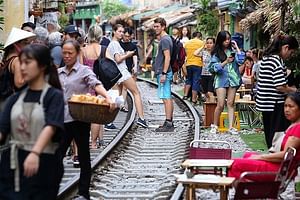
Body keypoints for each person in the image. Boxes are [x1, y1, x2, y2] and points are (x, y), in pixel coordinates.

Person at [0, 44, 64, 200]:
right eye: (21, 62)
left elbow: (51, 126)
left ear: (42, 66)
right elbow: (2, 130)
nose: (22, 67)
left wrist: (35, 152)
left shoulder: (53, 96)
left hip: (44, 164)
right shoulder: (14, 99)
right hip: (13, 164)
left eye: (27, 62)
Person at [58, 39, 114, 200]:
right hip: (62, 120)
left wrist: (107, 97)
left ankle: (84, 193)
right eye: (64, 53)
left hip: (79, 119)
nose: (67, 56)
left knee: (83, 156)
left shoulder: (84, 71)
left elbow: (96, 84)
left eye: (70, 53)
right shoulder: (58, 72)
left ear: (77, 53)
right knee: (56, 156)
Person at [229, 92, 300, 184]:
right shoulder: (294, 125)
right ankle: (246, 189)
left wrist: (260, 157)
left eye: (291, 106)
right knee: (247, 155)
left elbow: (285, 155)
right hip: (281, 167)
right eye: (285, 106)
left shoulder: (297, 128)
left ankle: (250, 191)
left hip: (280, 170)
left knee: (234, 163)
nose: (286, 109)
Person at [256, 35, 299, 148]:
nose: (291, 55)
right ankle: (275, 158)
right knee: (277, 136)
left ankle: (271, 156)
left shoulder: (266, 59)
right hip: (275, 104)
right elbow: (280, 86)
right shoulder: (276, 61)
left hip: (265, 104)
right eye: (291, 52)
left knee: (270, 135)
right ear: (285, 48)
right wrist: (294, 90)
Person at [106, 24, 148, 128]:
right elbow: (118, 59)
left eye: (122, 32)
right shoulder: (115, 44)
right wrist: (128, 55)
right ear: (114, 32)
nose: (122, 34)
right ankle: (141, 119)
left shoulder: (113, 44)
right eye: (119, 31)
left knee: (117, 97)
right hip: (122, 72)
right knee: (136, 93)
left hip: (118, 73)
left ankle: (108, 121)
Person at [208, 31, 245, 135]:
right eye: (225, 39)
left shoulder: (232, 51)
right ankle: (215, 125)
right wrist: (225, 62)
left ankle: (231, 127)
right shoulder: (216, 53)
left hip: (233, 79)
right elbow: (213, 68)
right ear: (221, 40)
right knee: (220, 104)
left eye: (229, 39)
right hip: (221, 80)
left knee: (230, 103)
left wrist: (236, 47)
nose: (227, 41)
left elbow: (241, 61)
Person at [81, 25, 106, 148]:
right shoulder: (104, 49)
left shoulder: (83, 50)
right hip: (99, 83)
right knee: (96, 114)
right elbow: (111, 67)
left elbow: (79, 68)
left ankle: (84, 141)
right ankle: (94, 143)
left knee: (85, 113)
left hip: (86, 83)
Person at [0, 28, 36, 110]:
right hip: (12, 103)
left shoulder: (6, 59)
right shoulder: (17, 60)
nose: (28, 46)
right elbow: (19, 82)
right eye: (25, 43)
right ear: (16, 45)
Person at [153, 17, 174, 132]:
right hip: (163, 71)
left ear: (163, 26)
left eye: (157, 26)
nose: (155, 28)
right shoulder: (166, 39)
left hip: (163, 72)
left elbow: (167, 57)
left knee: (166, 98)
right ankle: (169, 121)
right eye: (154, 26)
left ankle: (168, 123)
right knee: (167, 97)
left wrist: (164, 73)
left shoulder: (165, 40)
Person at [182, 31, 205, 105]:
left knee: (189, 79)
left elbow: (185, 53)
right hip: (198, 64)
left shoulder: (187, 43)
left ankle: (185, 95)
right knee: (196, 81)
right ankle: (194, 99)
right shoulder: (202, 43)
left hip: (189, 63)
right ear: (200, 36)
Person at [194, 37, 215, 102]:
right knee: (205, 93)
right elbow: (195, 53)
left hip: (212, 74)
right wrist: (203, 46)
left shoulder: (216, 53)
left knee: (210, 92)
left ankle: (212, 109)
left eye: (211, 43)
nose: (209, 45)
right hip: (203, 74)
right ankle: (208, 108)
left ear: (214, 44)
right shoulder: (204, 52)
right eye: (207, 43)